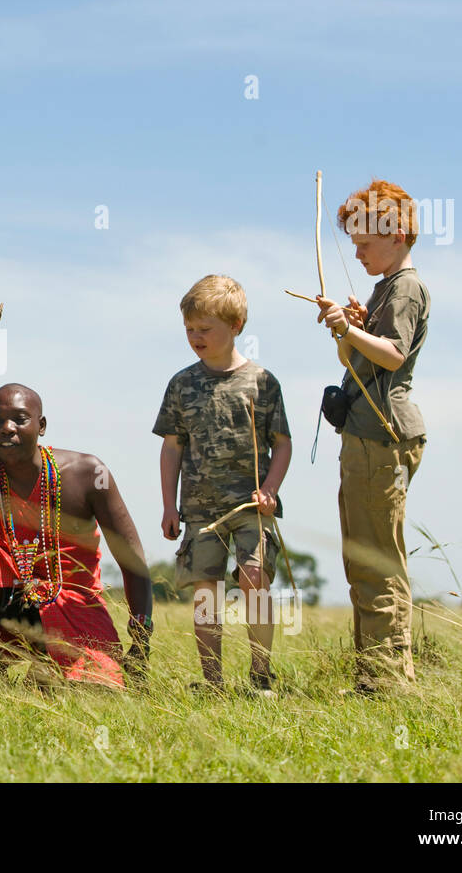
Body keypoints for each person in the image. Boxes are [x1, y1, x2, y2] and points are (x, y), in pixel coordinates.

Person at [0, 384, 153, 691]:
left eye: (19, 419)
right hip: (3, 605)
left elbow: (132, 560)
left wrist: (141, 641)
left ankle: (47, 674)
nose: (6, 428)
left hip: (71, 603)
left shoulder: (88, 473)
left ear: (41, 426)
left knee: (96, 691)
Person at [153, 275, 292, 696]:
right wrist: (168, 506)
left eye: (205, 329)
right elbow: (172, 449)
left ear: (236, 326)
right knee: (205, 594)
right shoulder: (182, 383)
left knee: (255, 579)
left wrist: (270, 488)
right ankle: (212, 683)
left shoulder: (262, 382)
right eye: (190, 330)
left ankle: (261, 676)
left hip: (252, 507)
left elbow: (283, 445)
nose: (196, 337)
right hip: (199, 508)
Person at [318, 180, 429, 695]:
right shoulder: (385, 289)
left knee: (376, 558)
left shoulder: (404, 286)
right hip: (367, 433)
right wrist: (350, 329)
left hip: (381, 437)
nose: (357, 252)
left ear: (398, 235)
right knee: (364, 555)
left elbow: (392, 357)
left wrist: (350, 327)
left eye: (364, 242)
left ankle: (384, 681)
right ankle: (380, 676)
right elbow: (358, 359)